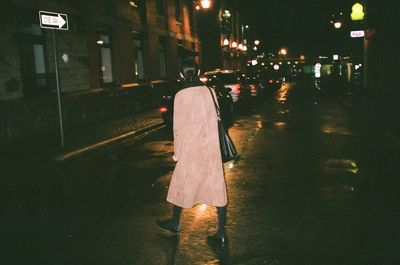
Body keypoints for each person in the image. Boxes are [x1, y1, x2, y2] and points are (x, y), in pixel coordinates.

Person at [157, 58, 227, 244]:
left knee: (181, 183)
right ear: (198, 71)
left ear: (182, 73)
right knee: (217, 187)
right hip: (211, 148)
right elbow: (218, 116)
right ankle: (220, 232)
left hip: (191, 149)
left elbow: (178, 128)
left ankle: (174, 222)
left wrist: (177, 153)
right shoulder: (210, 91)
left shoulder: (181, 95)